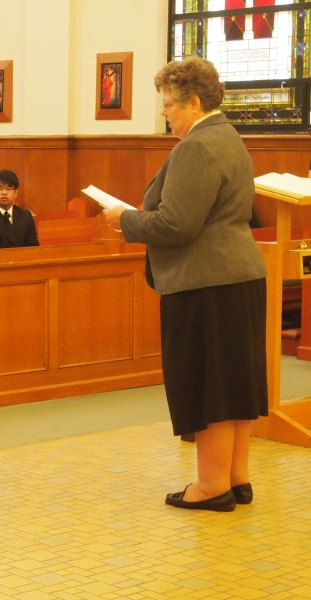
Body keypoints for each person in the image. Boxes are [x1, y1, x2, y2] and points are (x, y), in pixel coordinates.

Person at [103, 57, 267, 512]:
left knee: (209, 384)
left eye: (170, 104)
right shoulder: (228, 136)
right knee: (233, 382)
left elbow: (178, 225)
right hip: (237, 276)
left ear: (194, 102)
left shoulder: (197, 146)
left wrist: (126, 219)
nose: (165, 113)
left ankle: (211, 486)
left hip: (205, 281)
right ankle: (236, 476)